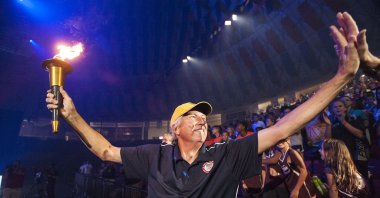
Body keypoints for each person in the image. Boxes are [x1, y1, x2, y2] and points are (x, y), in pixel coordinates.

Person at [45, 12, 360, 197]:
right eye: (192, 116)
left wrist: (341, 78)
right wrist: (71, 114)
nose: (202, 120)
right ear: (175, 127)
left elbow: (283, 128)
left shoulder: (227, 155)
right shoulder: (152, 156)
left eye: (203, 117)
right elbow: (105, 151)